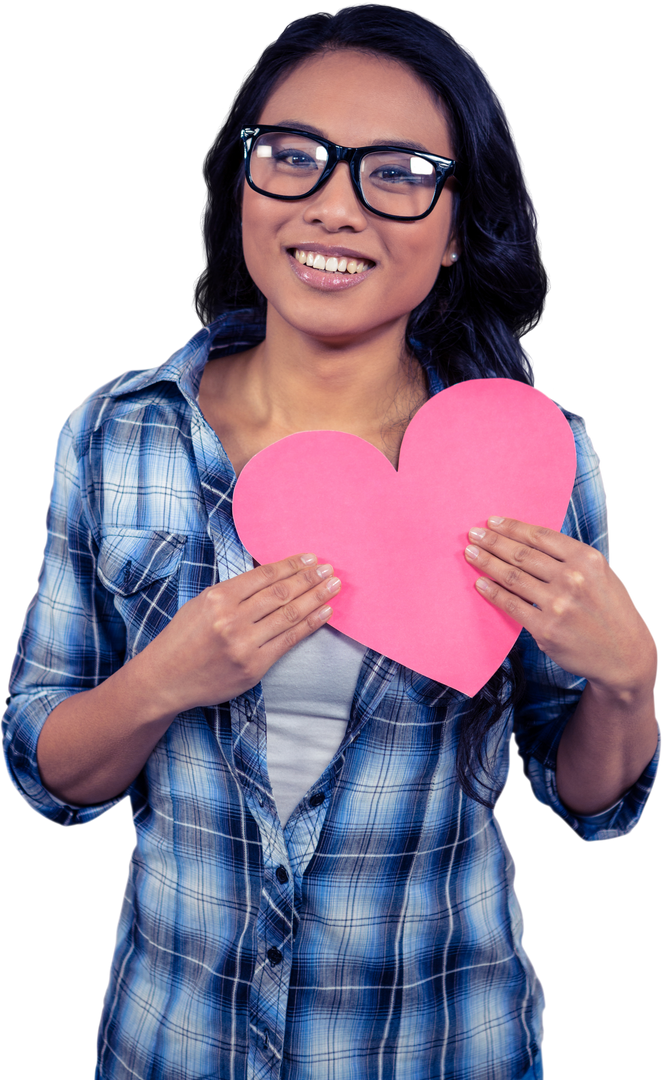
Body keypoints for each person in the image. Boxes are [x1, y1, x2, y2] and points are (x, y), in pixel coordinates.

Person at [2, 4, 659, 1078]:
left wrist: (628, 684)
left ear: (457, 225)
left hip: (444, 1040)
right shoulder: (119, 431)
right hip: (173, 1044)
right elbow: (46, 774)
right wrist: (164, 680)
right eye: (294, 157)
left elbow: (583, 801)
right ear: (242, 182)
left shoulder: (532, 455)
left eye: (396, 171)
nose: (334, 205)